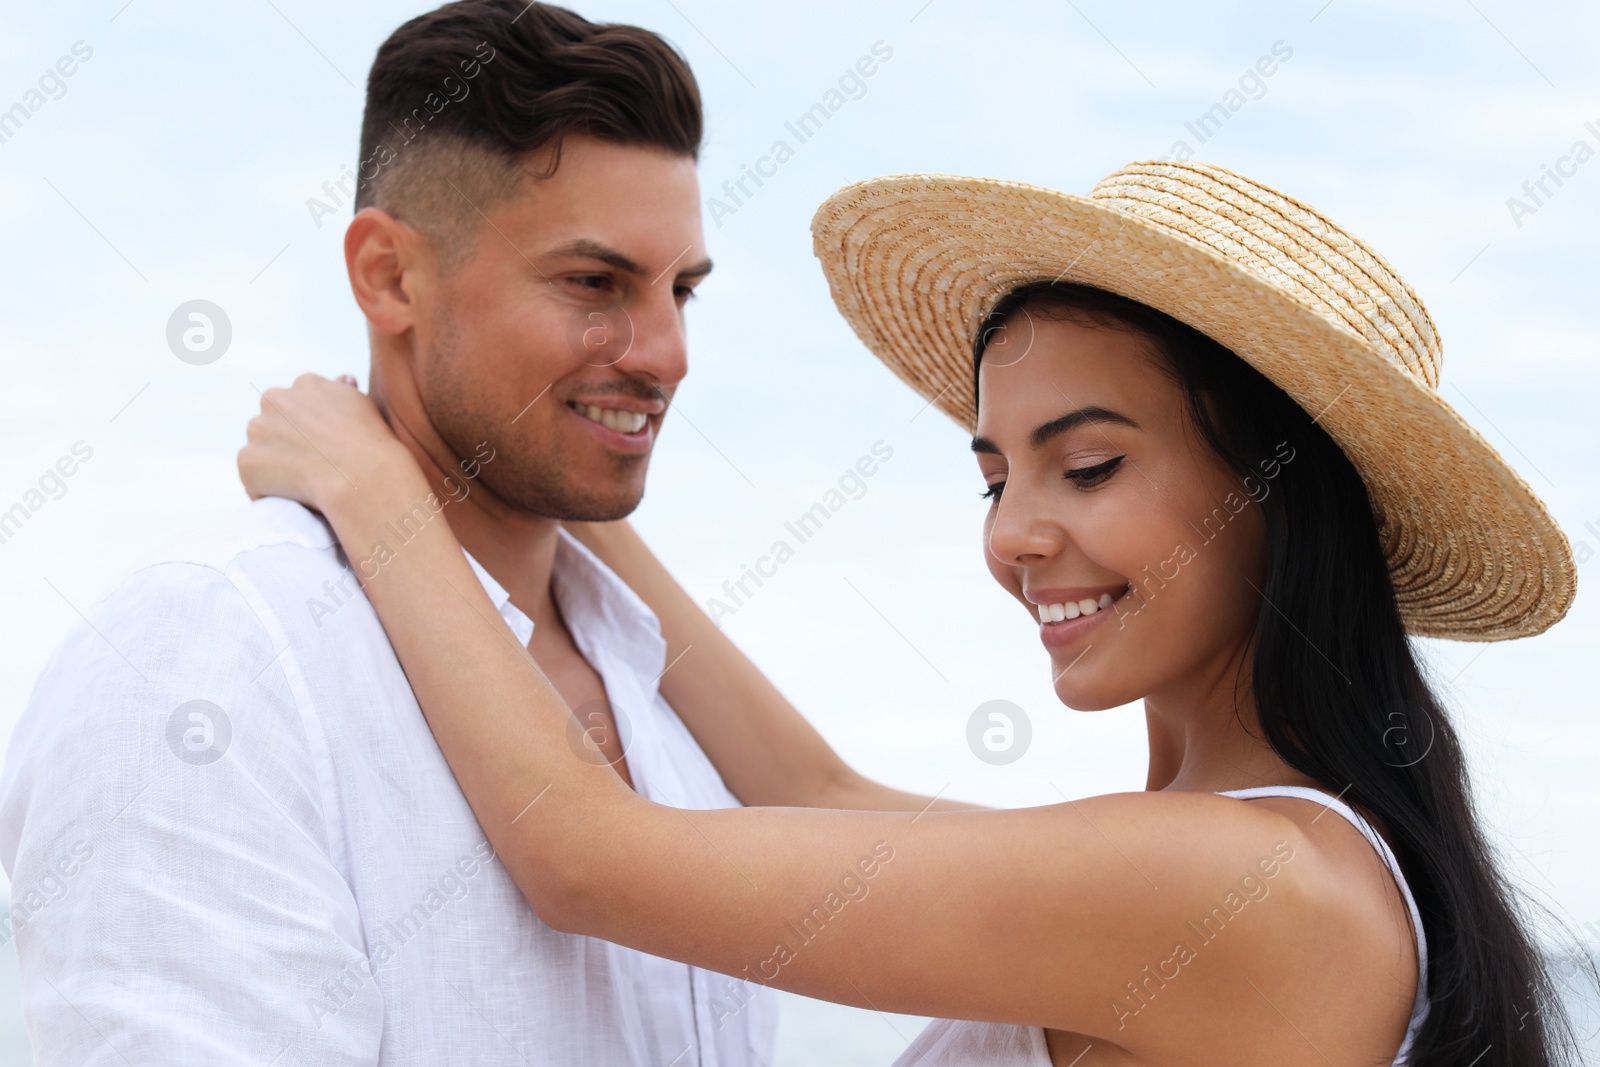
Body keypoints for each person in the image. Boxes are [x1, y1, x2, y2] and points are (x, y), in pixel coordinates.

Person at [238, 159, 1598, 1066]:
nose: (1015, 534)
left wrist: (375, 492)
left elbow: (587, 856)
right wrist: (532, 463)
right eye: (997, 472)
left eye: (1092, 463)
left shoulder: (1243, 890)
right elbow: (812, 787)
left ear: (1278, 495)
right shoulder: (1242, 863)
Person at [0, 3, 958, 1063]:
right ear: (388, 276)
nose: (668, 353)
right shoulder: (212, 657)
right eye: (594, 283)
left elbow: (626, 845)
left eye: (680, 289)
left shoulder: (669, 712)